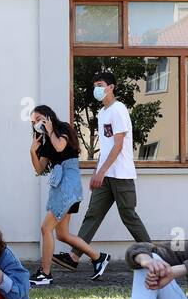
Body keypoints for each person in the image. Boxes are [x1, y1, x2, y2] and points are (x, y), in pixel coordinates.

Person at [57, 71, 152, 279]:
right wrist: (96, 172)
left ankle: (153, 255)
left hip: (121, 175)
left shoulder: (119, 110)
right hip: (105, 175)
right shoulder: (102, 113)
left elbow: (118, 146)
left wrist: (101, 171)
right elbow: (106, 146)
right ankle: (74, 256)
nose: (97, 89)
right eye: (95, 85)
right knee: (93, 213)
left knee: (128, 216)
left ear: (111, 87)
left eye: (100, 84)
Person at [28, 104, 109, 286]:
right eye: (33, 121)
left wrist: (50, 131)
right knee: (62, 234)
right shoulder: (45, 140)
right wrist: (33, 151)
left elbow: (60, 147)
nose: (37, 123)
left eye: (39, 118)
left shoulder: (62, 129)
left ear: (48, 117)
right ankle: (98, 257)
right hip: (58, 186)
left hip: (68, 186)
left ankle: (45, 274)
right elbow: (40, 169)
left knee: (45, 228)